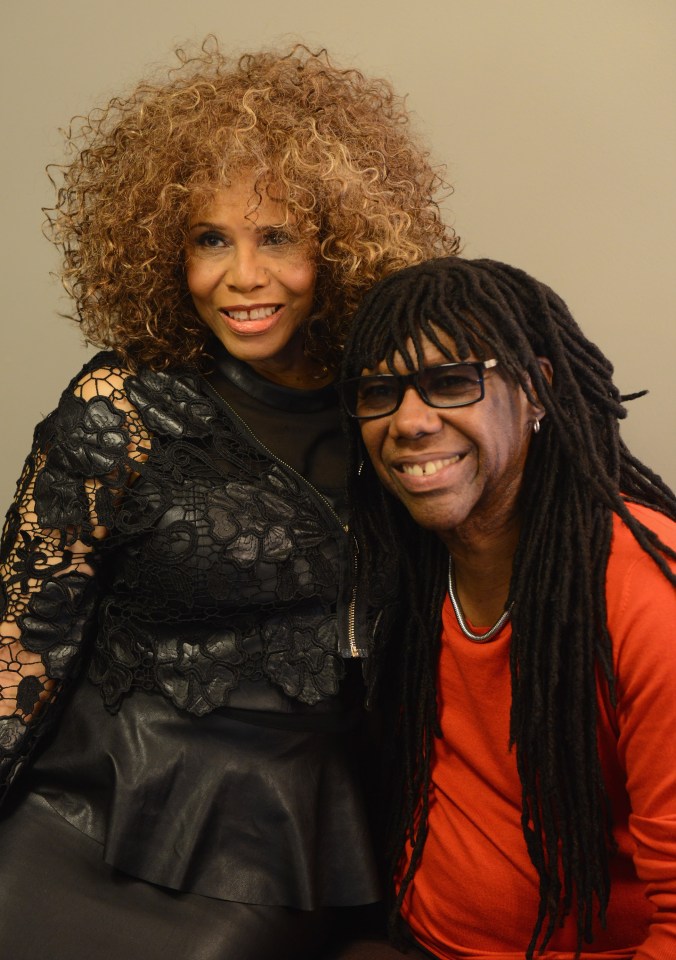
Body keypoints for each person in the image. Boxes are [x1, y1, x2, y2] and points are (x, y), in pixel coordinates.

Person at [0, 40, 458, 960]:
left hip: (272, 841)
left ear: (341, 242)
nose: (242, 278)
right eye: (211, 239)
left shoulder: (392, 414)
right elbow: (20, 644)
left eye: (277, 237)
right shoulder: (121, 407)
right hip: (79, 808)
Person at [337, 257, 676, 959]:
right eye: (380, 392)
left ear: (536, 391)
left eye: (451, 381)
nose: (410, 421)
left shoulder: (645, 595)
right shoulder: (405, 564)